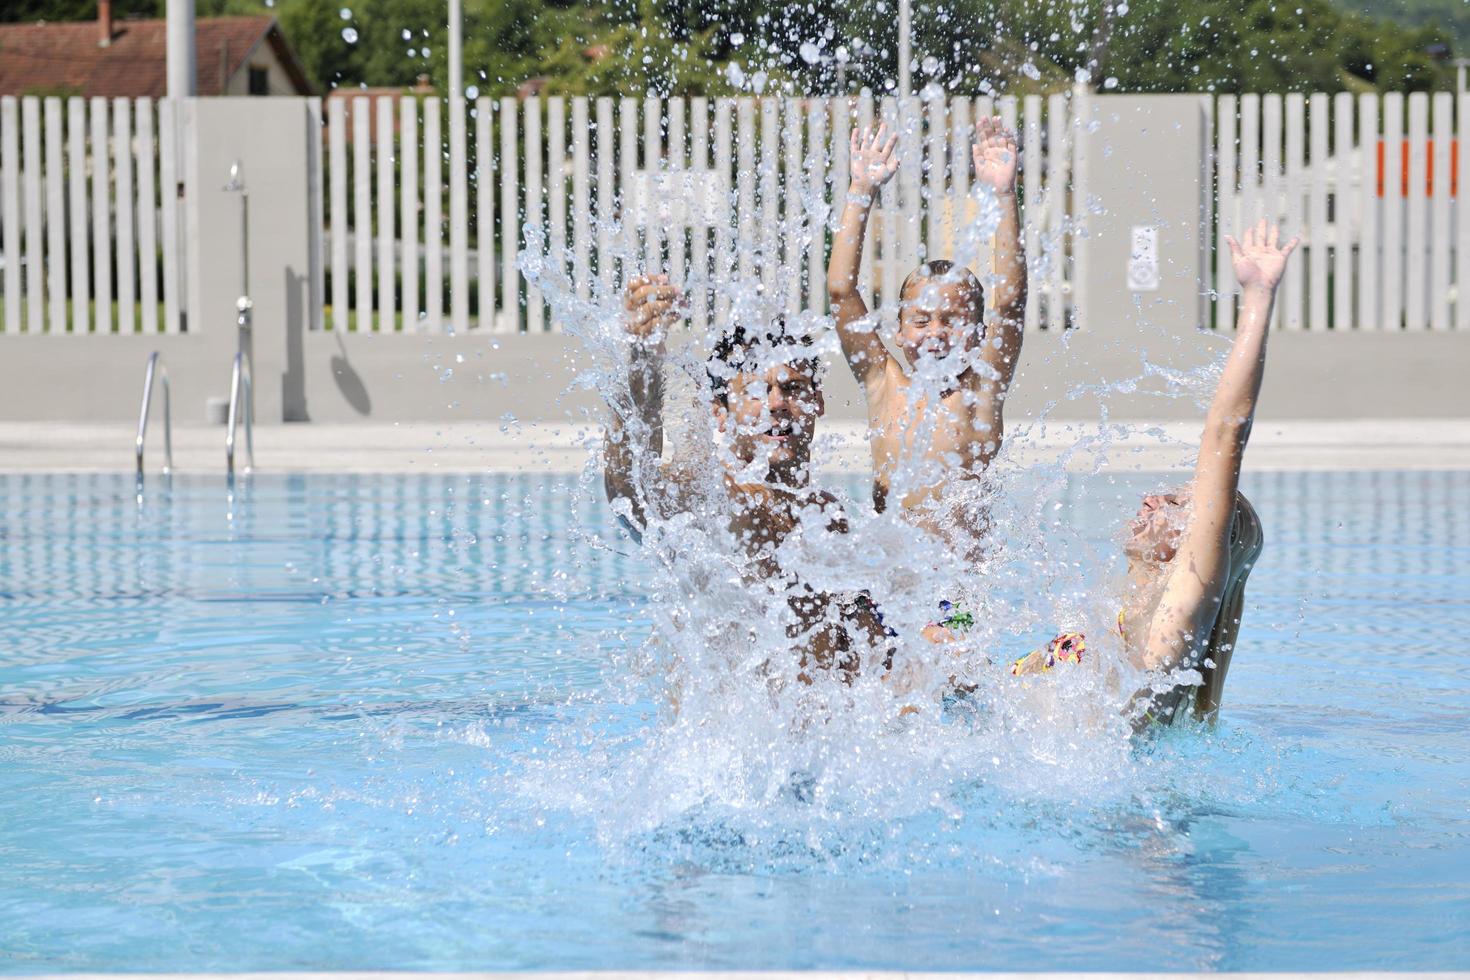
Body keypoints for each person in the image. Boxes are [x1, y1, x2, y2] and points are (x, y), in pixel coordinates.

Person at [1006, 219, 1297, 726]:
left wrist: (1257, 300)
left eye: (1179, 505)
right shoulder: (1114, 609)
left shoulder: (1172, 622)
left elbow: (1225, 435)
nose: (1152, 501)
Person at [603, 274, 882, 681]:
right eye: (753, 391)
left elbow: (860, 655)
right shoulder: (714, 498)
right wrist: (642, 362)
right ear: (720, 411)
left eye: (793, 388)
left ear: (817, 400)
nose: (776, 404)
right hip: (730, 742)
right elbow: (631, 486)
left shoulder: (826, 515)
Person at [826, 118, 1027, 521]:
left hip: (960, 584)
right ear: (899, 333)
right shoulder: (883, 383)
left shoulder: (981, 390)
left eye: (952, 320)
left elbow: (1010, 304)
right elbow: (841, 292)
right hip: (891, 579)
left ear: (976, 336)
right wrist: (860, 192)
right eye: (920, 321)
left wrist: (1004, 195)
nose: (935, 333)